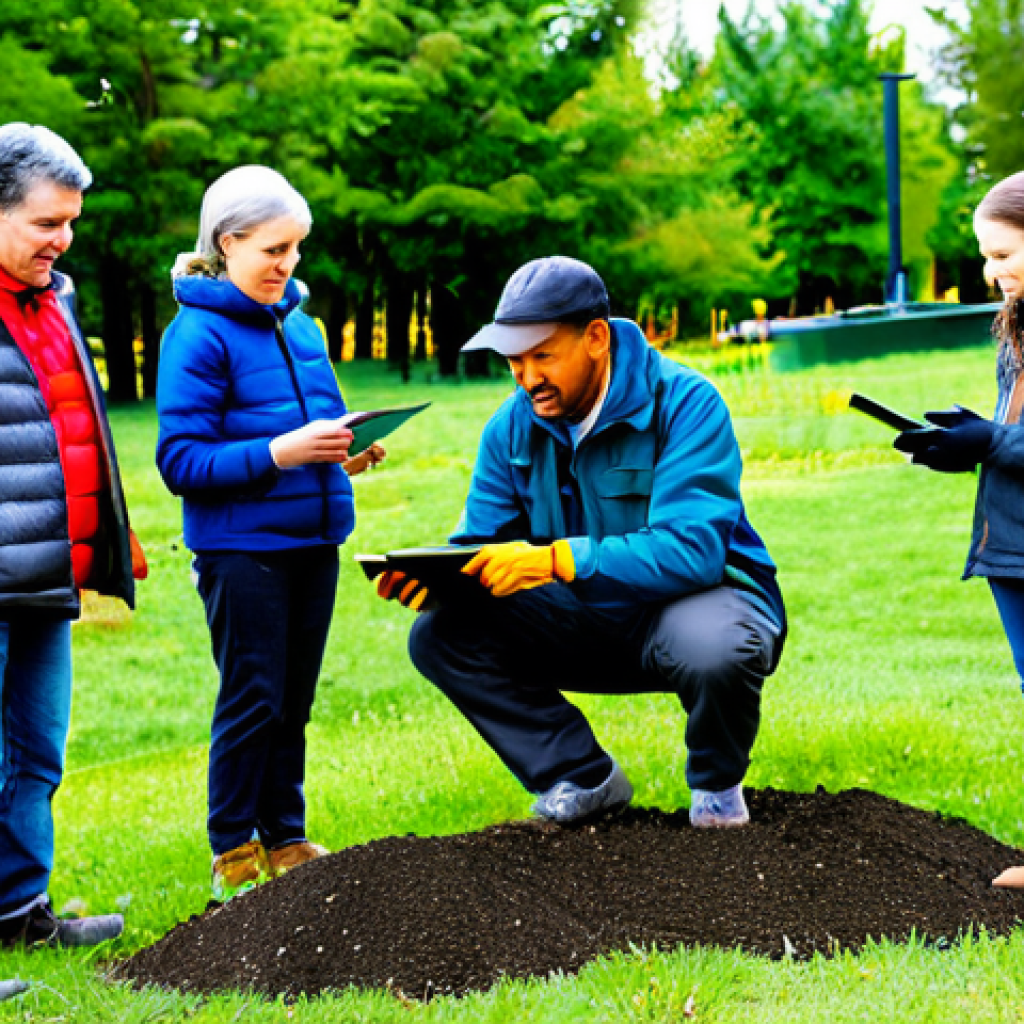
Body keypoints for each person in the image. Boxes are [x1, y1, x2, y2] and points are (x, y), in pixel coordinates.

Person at [379, 256, 786, 826]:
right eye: (514, 361)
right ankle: (580, 775)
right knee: (441, 636)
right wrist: (439, 581)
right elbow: (478, 545)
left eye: (542, 356)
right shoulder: (510, 426)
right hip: (584, 618)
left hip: (696, 604)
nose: (527, 378)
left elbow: (692, 551)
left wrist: (556, 558)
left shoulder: (686, 403)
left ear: (596, 337)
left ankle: (717, 790)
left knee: (714, 644)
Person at [156, 165, 381, 901]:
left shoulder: (303, 324)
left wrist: (351, 450)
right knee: (252, 694)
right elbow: (180, 461)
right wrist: (281, 453)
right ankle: (232, 850)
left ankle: (287, 836)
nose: (287, 266)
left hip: (313, 541)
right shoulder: (196, 333)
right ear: (228, 243)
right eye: (272, 250)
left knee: (295, 697)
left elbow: (320, 425)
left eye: (296, 251)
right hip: (240, 550)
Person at [0, 123, 146, 947]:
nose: (64, 240)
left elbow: (76, 419)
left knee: (36, 753)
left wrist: (111, 533)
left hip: (47, 572)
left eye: (71, 224)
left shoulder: (58, 296)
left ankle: (20, 914)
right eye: (47, 224)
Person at [893, 170, 1024, 888]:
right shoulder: (1014, 329)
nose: (989, 270)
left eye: (1002, 254)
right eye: (985, 254)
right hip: (1010, 548)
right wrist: (961, 447)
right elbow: (1014, 434)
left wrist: (991, 443)